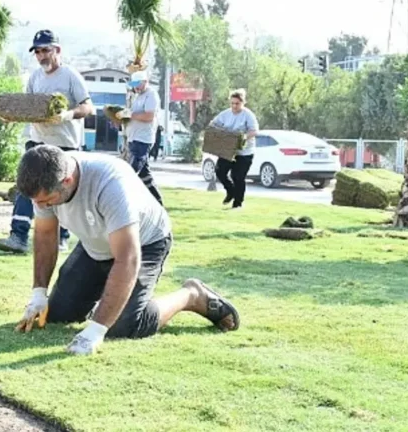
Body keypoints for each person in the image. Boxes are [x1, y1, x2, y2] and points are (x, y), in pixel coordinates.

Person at [13, 145, 240, 355]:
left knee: (122, 325)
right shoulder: (45, 180)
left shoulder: (111, 185)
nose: (42, 207)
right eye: (38, 202)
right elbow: (44, 234)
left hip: (144, 243)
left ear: (67, 180)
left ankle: (191, 295)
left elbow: (127, 259)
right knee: (55, 315)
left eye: (48, 202)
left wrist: (96, 330)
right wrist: (38, 293)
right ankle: (105, 299)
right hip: (96, 244)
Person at [0, 29, 95, 255]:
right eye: (38, 52)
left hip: (65, 144)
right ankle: (18, 236)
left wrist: (67, 115)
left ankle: (61, 237)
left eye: (46, 50)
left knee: (61, 190)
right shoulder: (35, 77)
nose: (42, 56)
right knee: (25, 186)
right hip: (37, 141)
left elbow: (88, 107)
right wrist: (11, 116)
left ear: (57, 50)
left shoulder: (70, 76)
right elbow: (28, 107)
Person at [209, 89, 259, 209]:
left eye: (237, 103)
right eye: (232, 103)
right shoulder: (225, 114)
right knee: (220, 171)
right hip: (228, 148)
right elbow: (213, 124)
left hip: (244, 152)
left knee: (238, 176)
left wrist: (243, 138)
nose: (234, 106)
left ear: (243, 103)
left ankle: (238, 203)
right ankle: (230, 191)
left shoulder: (248, 115)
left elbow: (254, 131)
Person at [119, 71, 163, 205]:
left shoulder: (151, 95)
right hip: (134, 138)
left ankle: (125, 202)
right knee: (145, 175)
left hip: (143, 139)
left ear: (145, 81)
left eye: (138, 84)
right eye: (134, 85)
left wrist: (130, 115)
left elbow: (149, 116)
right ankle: (158, 203)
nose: (136, 88)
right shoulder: (138, 96)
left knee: (131, 173)